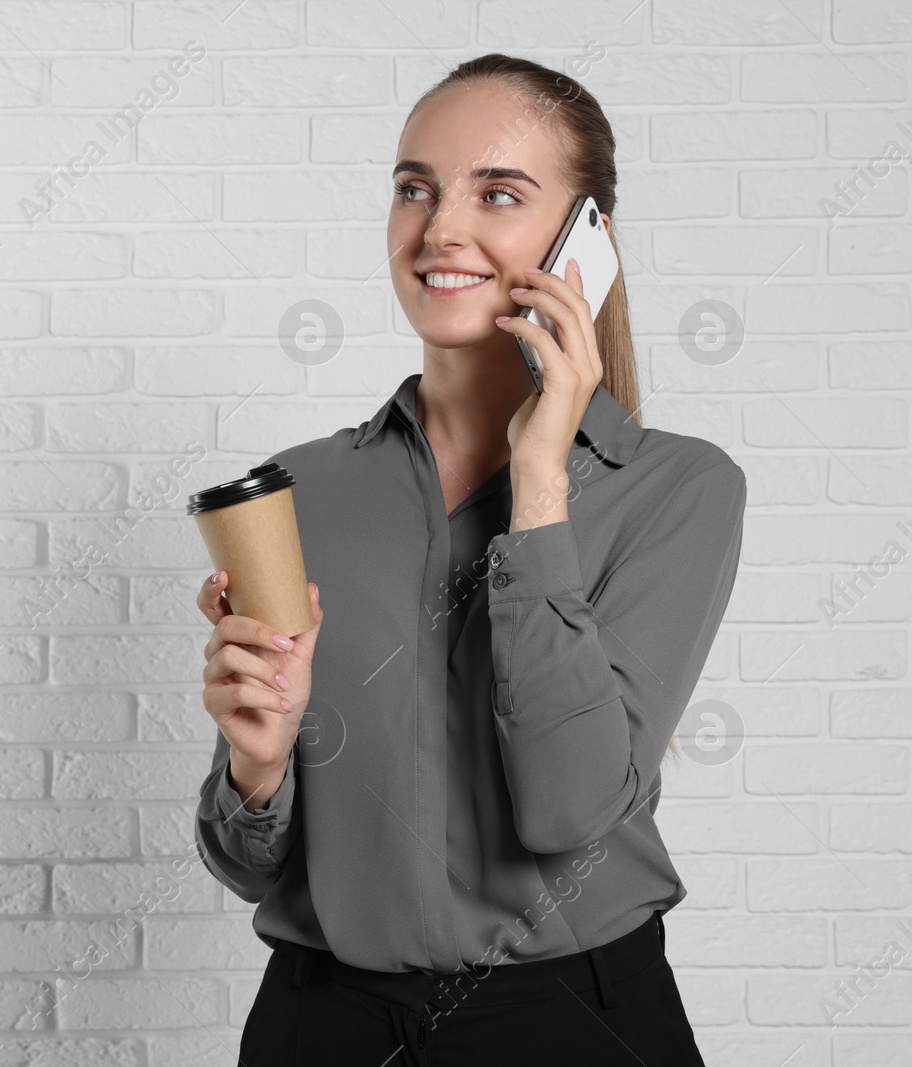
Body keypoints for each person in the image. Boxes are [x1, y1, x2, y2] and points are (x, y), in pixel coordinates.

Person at [193, 53, 743, 1066]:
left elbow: (568, 807)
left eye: (497, 193)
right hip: (324, 1025)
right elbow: (248, 865)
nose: (440, 228)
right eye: (415, 188)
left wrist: (539, 487)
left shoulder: (676, 488)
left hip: (574, 1024)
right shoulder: (295, 491)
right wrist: (257, 764)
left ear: (587, 245)